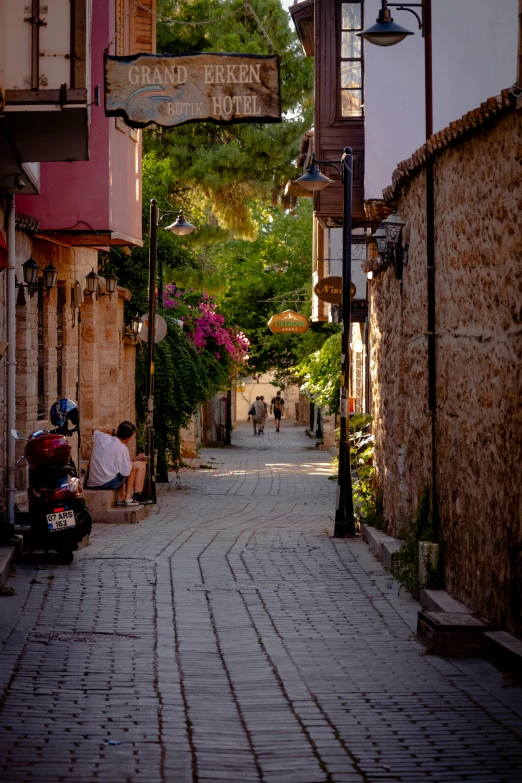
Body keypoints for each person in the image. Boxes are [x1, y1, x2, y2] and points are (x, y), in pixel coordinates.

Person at [87, 421, 152, 505]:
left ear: (117, 430)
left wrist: (113, 431)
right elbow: (125, 472)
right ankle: (129, 497)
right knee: (133, 467)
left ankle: (121, 497)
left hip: (93, 481)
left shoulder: (102, 438)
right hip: (106, 483)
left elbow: (94, 430)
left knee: (127, 466)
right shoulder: (122, 448)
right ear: (129, 438)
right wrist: (133, 462)